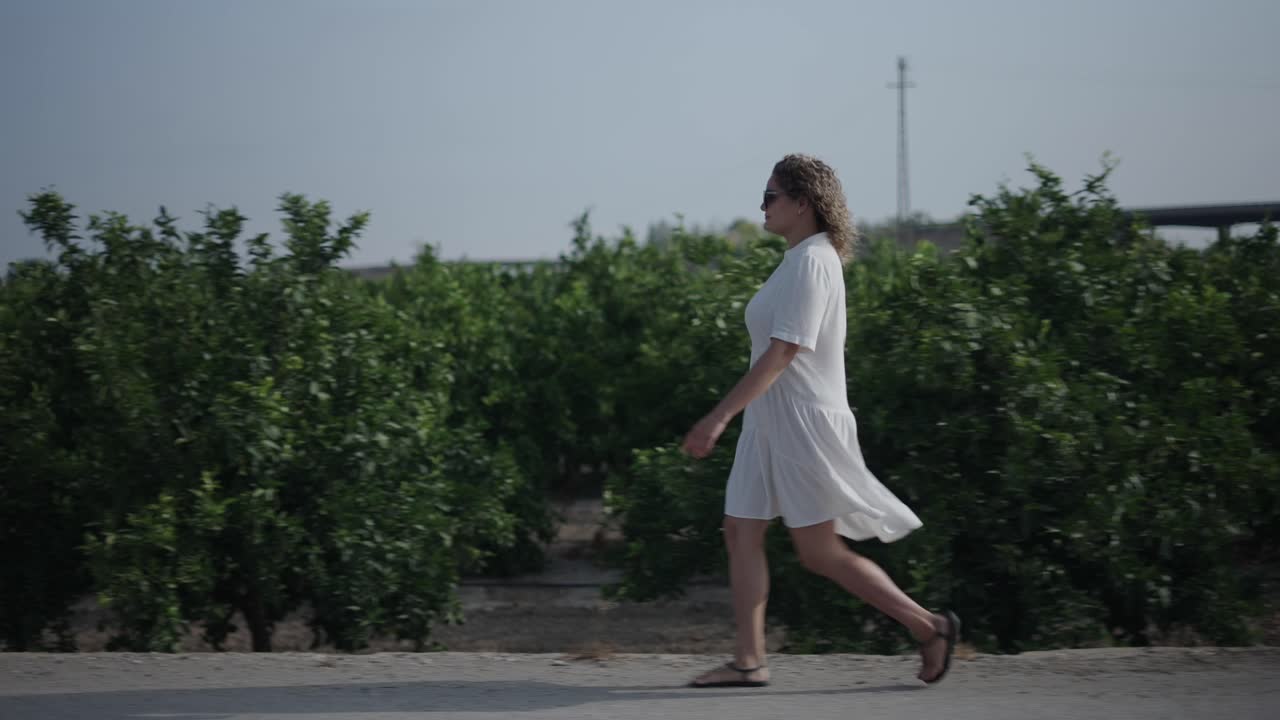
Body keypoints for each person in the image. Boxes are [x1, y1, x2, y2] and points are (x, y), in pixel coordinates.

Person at [681, 154, 959, 688]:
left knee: (818, 551)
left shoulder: (814, 261)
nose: (762, 206)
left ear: (802, 203)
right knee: (740, 529)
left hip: (802, 423)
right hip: (770, 419)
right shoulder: (796, 260)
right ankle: (749, 659)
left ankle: (929, 627)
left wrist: (717, 417)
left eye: (770, 197)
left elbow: (784, 351)